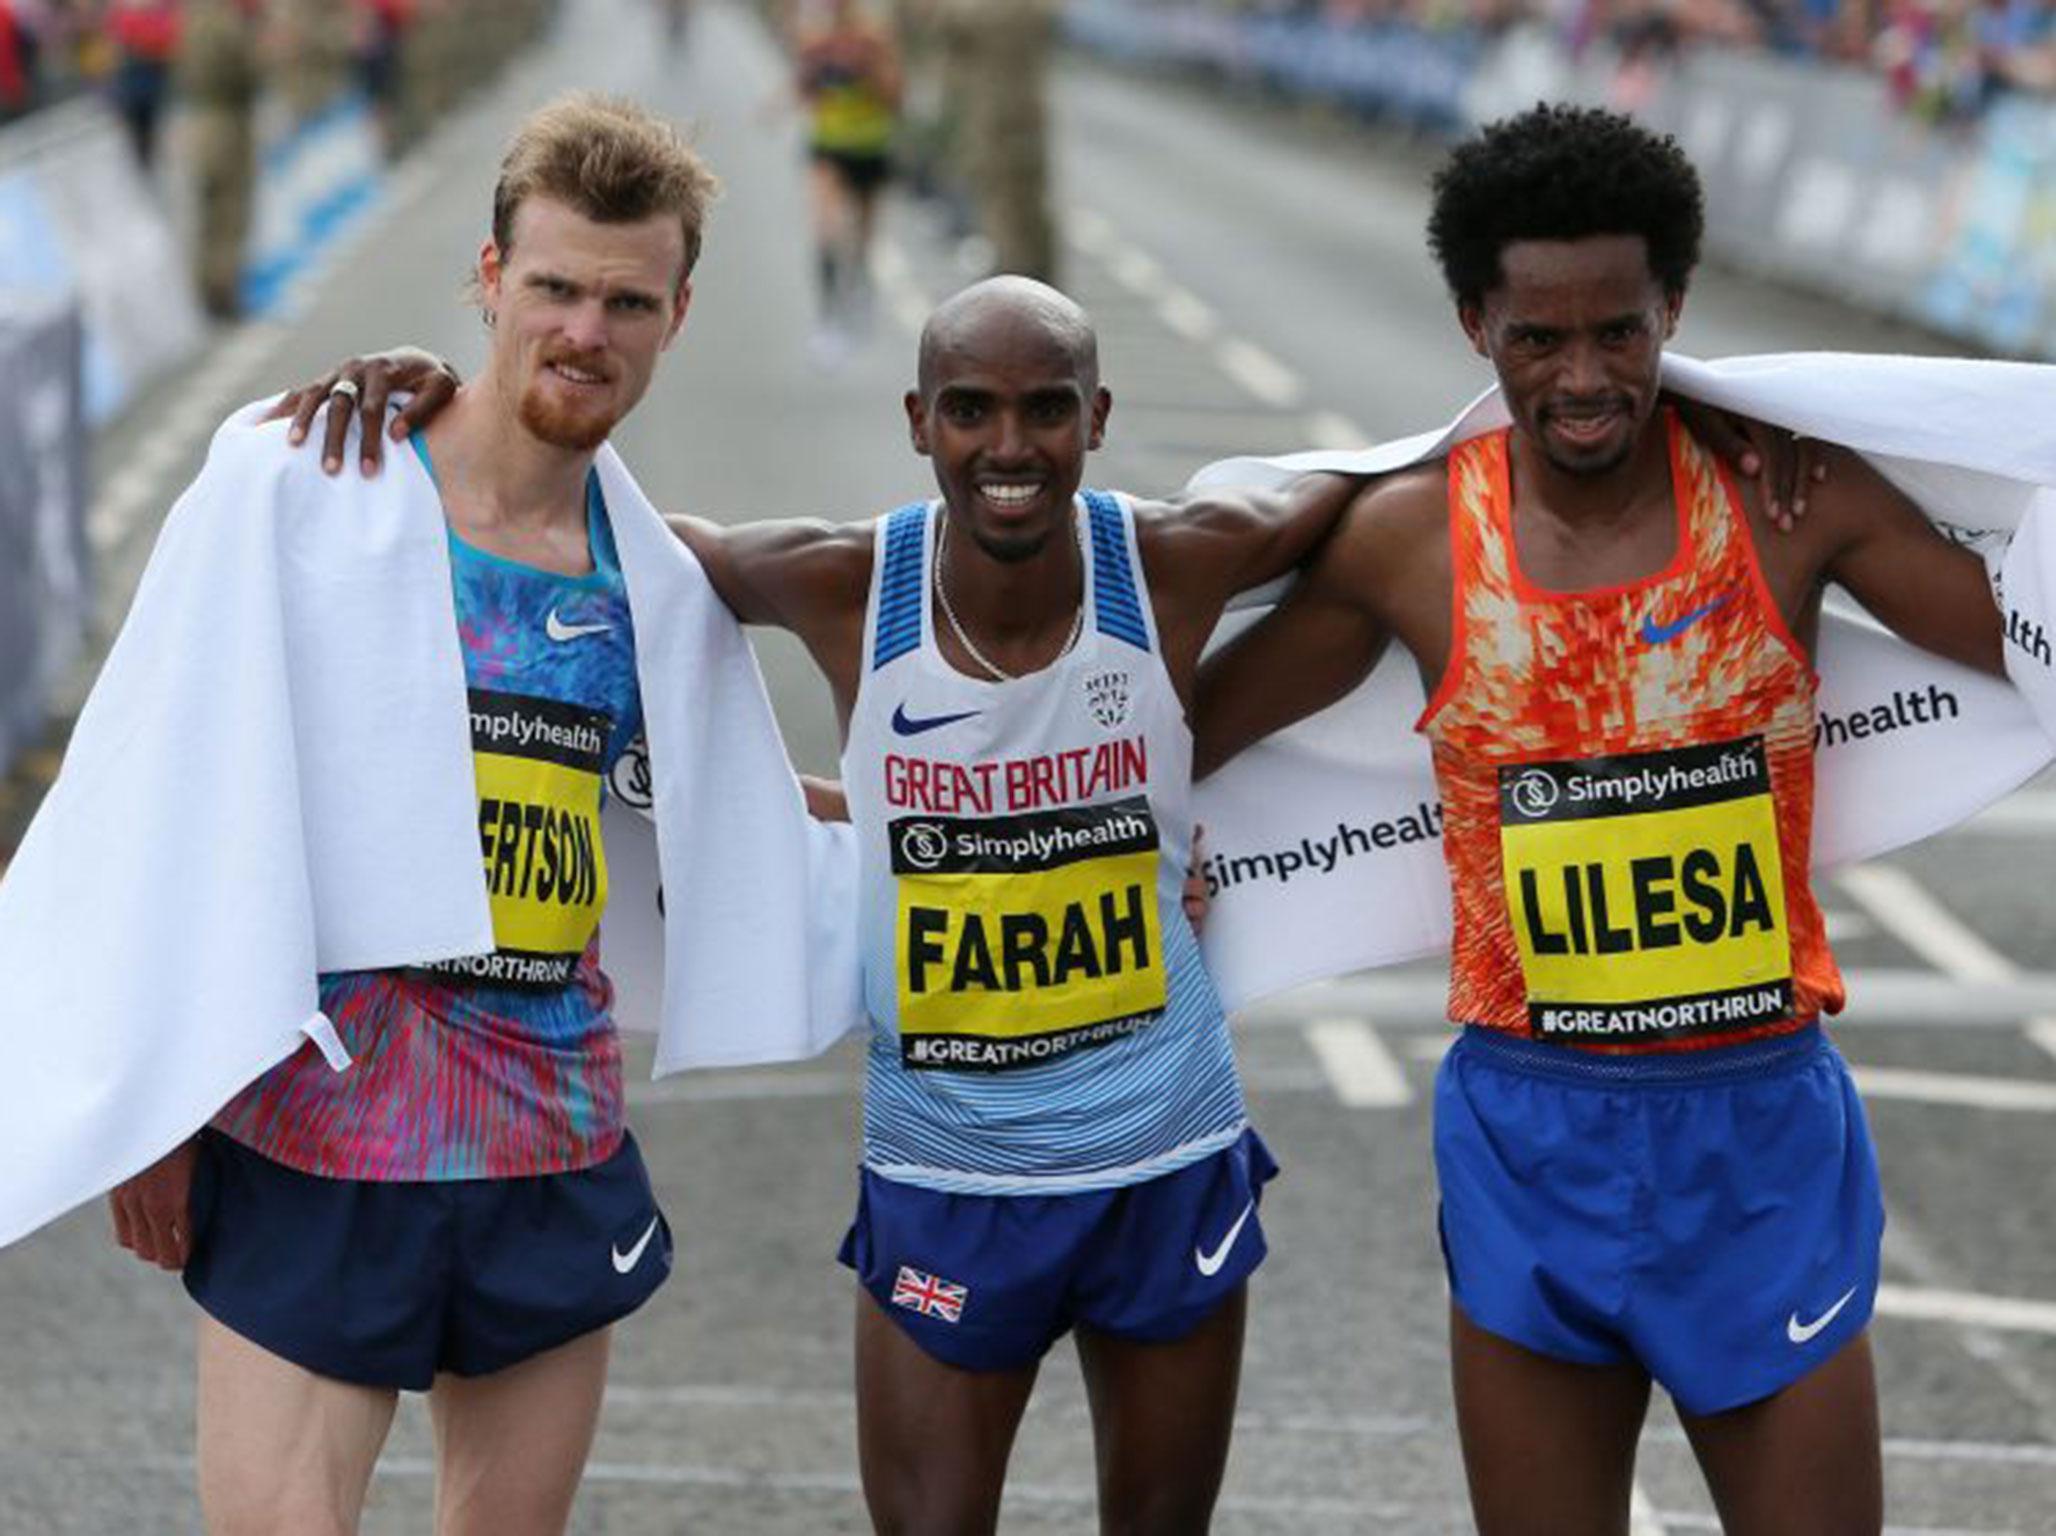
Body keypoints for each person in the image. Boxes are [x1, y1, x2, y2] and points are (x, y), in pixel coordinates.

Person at [276, 273, 1377, 1534]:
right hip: (947, 1170)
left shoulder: (1174, 560)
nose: (1008, 449)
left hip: (1165, 1154)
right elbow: (572, 518)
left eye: (1045, 410)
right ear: (918, 421)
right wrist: (440, 406)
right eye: (970, 410)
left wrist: (1185, 770)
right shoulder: (851, 584)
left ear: (1097, 415)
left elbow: (1378, 499)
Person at [1193, 104, 2007, 1536]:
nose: (1583, 380)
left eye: (1619, 335)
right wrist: (867, 808)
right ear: (1474, 326)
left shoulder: (1785, 501)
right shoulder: (1415, 542)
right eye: (1537, 342)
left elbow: (2027, 637)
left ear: (1673, 309)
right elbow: (1181, 739)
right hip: (1533, 1133)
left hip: (1758, 1133)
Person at [104, 95, 723, 1536]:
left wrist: (1121, 852)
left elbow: (739, 809)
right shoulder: (314, 482)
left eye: (626, 301)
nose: (586, 330)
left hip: (546, 1134)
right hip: (318, 1127)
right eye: (556, 287)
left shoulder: (657, 577)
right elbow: (161, 781)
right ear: (490, 277)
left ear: (676, 315)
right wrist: (150, 1090)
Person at [793, 0, 901, 352]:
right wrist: (813, 70)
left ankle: (861, 291)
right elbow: (805, 92)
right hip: (829, 146)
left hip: (870, 147)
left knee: (864, 239)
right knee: (827, 229)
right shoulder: (814, 40)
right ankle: (828, 317)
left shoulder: (873, 39)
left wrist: (867, 66)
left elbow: (895, 96)